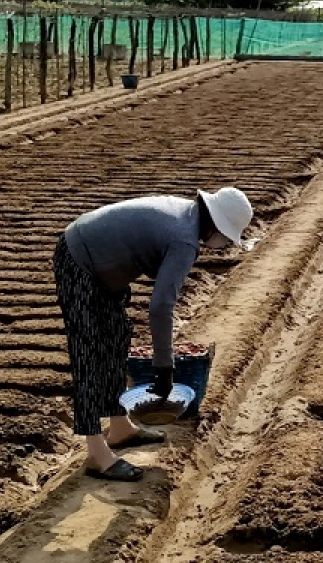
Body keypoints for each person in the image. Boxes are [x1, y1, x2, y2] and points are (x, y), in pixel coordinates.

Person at [53, 186, 253, 482]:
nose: (223, 244)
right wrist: (164, 366)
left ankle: (120, 428)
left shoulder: (186, 214)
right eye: (225, 236)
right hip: (80, 261)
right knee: (90, 355)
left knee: (115, 341)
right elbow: (161, 306)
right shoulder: (185, 239)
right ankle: (97, 454)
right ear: (215, 223)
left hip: (103, 268)